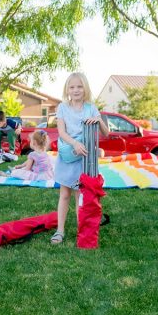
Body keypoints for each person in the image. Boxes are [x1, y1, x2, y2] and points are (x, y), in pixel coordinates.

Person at [50, 73, 108, 244]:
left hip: (84, 159)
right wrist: (75, 143)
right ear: (67, 89)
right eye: (72, 87)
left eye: (79, 86)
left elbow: (106, 133)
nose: (76, 90)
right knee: (65, 194)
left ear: (85, 88)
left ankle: (81, 230)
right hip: (68, 154)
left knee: (79, 195)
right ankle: (60, 230)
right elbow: (61, 132)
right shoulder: (62, 107)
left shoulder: (91, 108)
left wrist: (98, 120)